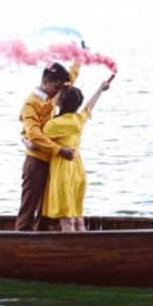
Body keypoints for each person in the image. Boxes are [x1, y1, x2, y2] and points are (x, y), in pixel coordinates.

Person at [41, 74, 114, 232]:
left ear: (61, 102)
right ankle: (84, 248)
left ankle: (72, 253)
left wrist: (26, 141)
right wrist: (100, 89)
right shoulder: (77, 120)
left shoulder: (53, 125)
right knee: (77, 217)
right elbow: (89, 107)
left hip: (62, 170)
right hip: (77, 169)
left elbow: (38, 141)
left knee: (66, 218)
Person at [15, 61, 80, 231]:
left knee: (47, 206)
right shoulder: (30, 104)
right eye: (57, 87)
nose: (60, 92)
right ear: (47, 82)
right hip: (36, 161)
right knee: (30, 204)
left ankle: (42, 240)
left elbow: (70, 80)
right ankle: (21, 238)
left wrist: (79, 58)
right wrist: (59, 150)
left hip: (53, 162)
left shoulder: (55, 95)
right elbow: (35, 135)